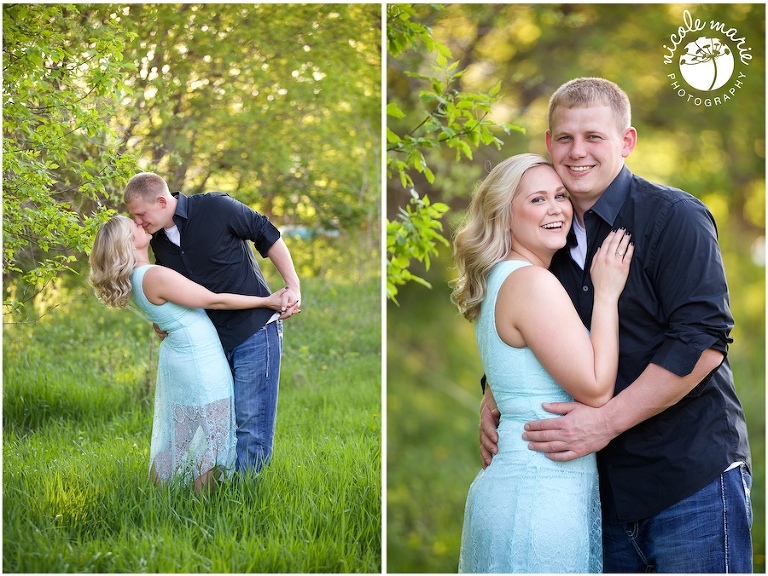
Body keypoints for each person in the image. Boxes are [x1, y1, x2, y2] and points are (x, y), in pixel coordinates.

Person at [479, 78, 752, 572]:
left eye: (594, 137)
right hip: (594, 495)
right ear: (548, 144)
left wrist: (604, 423)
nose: (577, 151)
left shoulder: (675, 218)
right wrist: (496, 391)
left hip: (687, 481)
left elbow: (703, 341)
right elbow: (532, 332)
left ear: (626, 142)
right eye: (564, 138)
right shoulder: (549, 236)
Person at [452, 153, 634, 572]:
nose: (556, 209)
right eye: (537, 200)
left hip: (526, 484)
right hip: (537, 495)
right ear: (504, 215)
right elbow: (595, 387)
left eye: (560, 196)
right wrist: (606, 294)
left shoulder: (503, 277)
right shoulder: (531, 282)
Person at [89, 215, 288, 493]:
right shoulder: (154, 275)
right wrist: (267, 300)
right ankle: (200, 506)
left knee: (177, 440)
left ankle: (156, 499)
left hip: (180, 357)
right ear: (128, 241)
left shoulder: (135, 278)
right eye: (133, 225)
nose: (140, 224)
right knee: (218, 441)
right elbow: (212, 299)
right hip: (198, 361)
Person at [124, 172, 301, 474]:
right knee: (222, 425)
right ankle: (216, 499)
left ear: (162, 201)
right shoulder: (160, 245)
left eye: (140, 215)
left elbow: (266, 233)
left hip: (255, 330)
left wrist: (293, 286)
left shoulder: (216, 207)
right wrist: (163, 322)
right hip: (211, 345)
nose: (138, 223)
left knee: (250, 427)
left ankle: (246, 503)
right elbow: (179, 293)